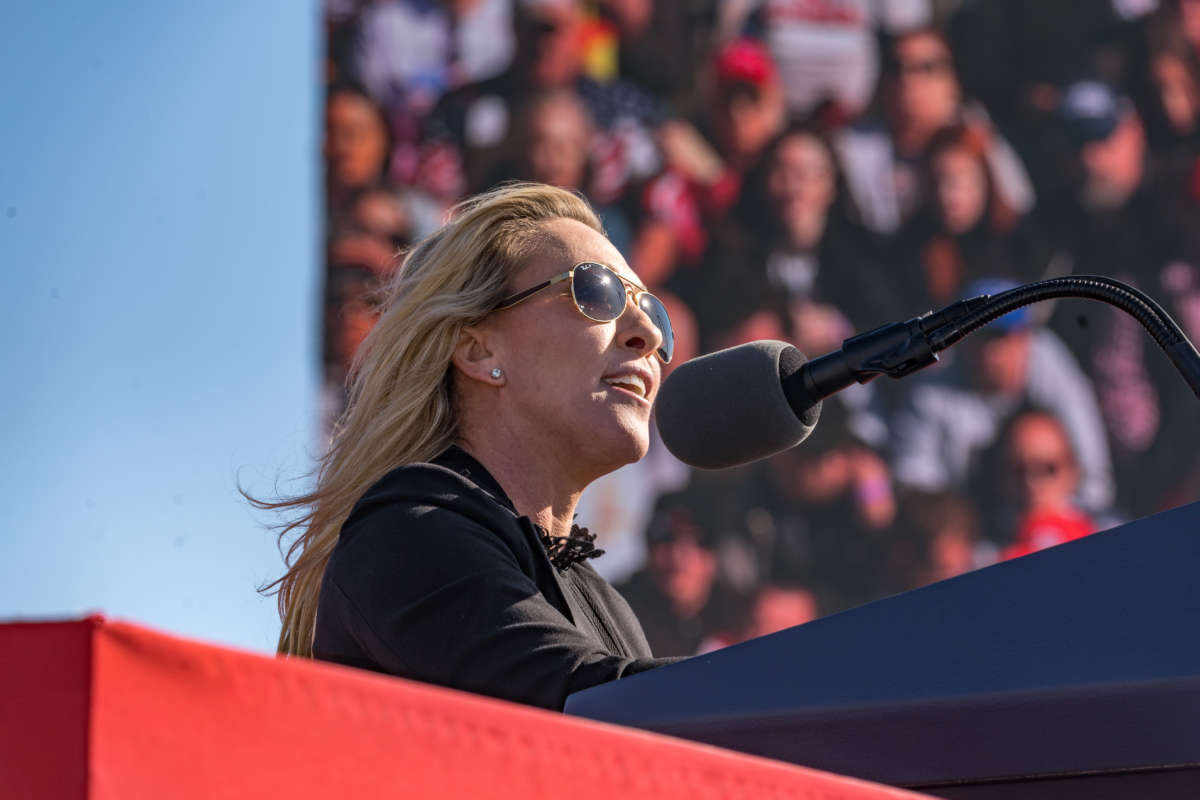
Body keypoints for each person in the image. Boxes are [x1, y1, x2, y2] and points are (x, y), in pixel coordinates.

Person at [254, 182, 681, 710]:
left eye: (653, 310)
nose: (649, 334)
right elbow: (592, 710)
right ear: (477, 349)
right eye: (598, 292)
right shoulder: (407, 536)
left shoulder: (607, 605)